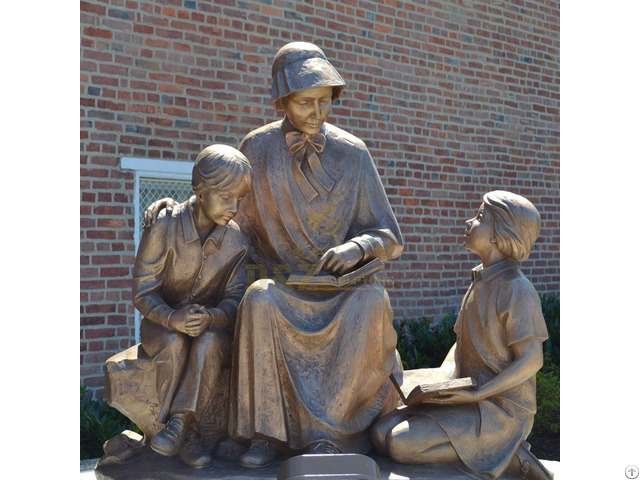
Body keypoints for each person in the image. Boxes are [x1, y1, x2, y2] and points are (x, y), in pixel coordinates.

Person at [145, 42, 404, 468]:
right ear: (283, 99)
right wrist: (176, 208)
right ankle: (266, 434)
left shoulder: (353, 153)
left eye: (324, 102)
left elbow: (389, 235)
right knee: (259, 299)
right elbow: (225, 211)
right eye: (305, 102)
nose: (317, 113)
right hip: (281, 286)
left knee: (372, 303)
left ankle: (329, 435)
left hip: (340, 291)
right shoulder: (258, 147)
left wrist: (357, 247)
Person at [370, 190, 553, 480]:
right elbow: (461, 343)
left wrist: (478, 393)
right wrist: (440, 383)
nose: (469, 221)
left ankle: (507, 454)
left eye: (480, 217)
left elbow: (531, 360)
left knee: (398, 443)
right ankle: (492, 451)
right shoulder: (479, 280)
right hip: (466, 396)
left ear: (498, 235)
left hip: (499, 409)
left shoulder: (517, 290)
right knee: (379, 433)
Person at [133, 144, 252, 468]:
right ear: (201, 190)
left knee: (211, 343)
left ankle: (181, 425)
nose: (234, 207)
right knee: (173, 343)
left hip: (209, 328)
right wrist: (173, 319)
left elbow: (235, 299)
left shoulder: (236, 242)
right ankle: (185, 435)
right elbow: (143, 292)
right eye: (226, 197)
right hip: (162, 324)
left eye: (239, 199)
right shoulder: (164, 226)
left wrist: (211, 318)